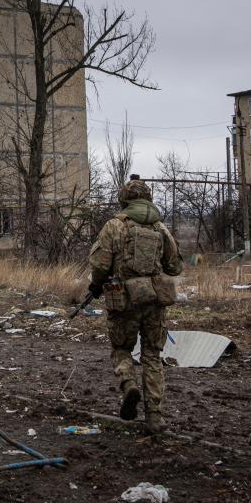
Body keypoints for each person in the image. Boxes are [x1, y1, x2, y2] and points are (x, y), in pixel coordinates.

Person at [87, 177, 183, 434]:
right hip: (154, 301)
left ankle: (128, 384)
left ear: (124, 199)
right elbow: (175, 266)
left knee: (121, 349)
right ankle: (155, 417)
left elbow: (99, 265)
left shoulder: (114, 226)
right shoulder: (160, 228)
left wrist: (96, 285)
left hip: (124, 300)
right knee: (152, 355)